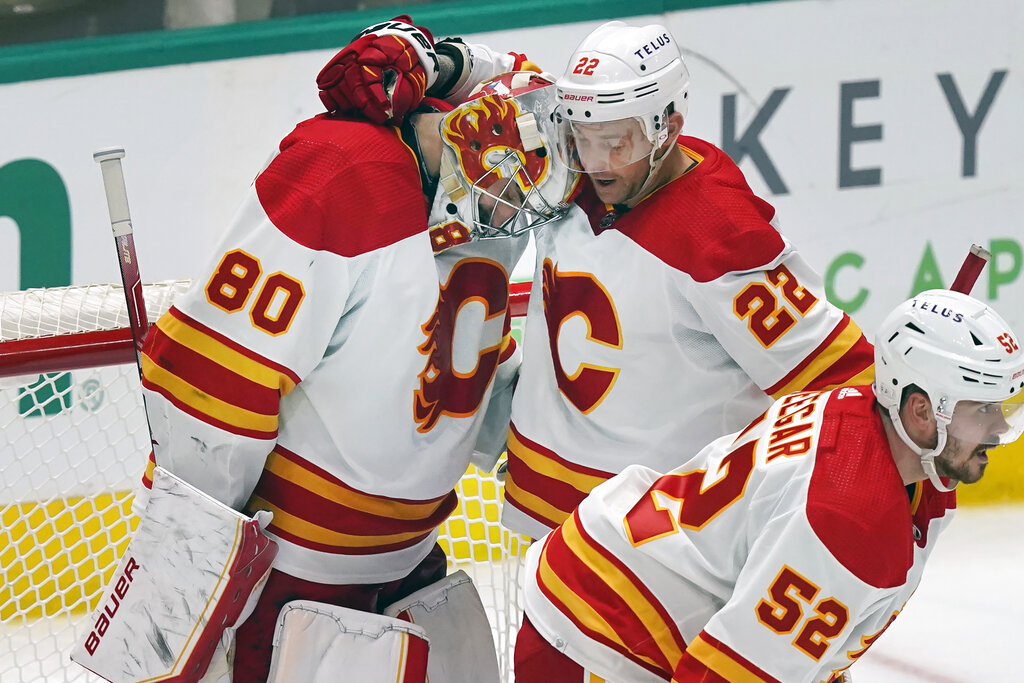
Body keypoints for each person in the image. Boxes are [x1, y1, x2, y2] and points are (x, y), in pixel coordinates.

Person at [72, 20, 575, 683]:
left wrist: (445, 62)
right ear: (462, 139)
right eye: (507, 188)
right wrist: (190, 561)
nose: (513, 210)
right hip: (294, 585)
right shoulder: (340, 173)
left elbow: (453, 359)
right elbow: (215, 383)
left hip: (413, 566)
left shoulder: (484, 189)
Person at [322, 18, 876, 539]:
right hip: (544, 529)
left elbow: (844, 379)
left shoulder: (720, 236)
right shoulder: (570, 163)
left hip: (651, 558)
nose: (600, 161)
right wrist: (437, 62)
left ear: (669, 128)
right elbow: (512, 81)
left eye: (619, 141)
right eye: (584, 136)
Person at [513, 289, 1024, 682]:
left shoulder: (865, 416)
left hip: (621, 579)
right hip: (600, 634)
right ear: (919, 410)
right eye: (983, 410)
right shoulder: (851, 522)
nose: (1000, 429)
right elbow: (724, 676)